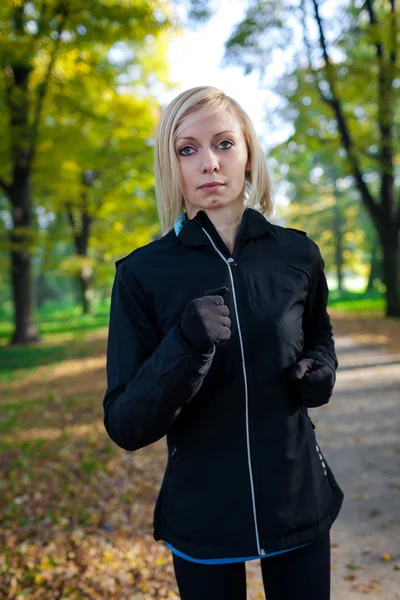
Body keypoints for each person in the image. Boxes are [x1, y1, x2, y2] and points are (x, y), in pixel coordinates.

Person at [103, 86, 344, 600]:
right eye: (187, 149)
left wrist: (320, 369)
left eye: (224, 144)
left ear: (249, 153)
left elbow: (318, 334)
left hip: (296, 495)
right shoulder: (142, 274)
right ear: (172, 166)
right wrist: (185, 344)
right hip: (202, 512)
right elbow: (125, 423)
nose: (208, 163)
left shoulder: (297, 254)